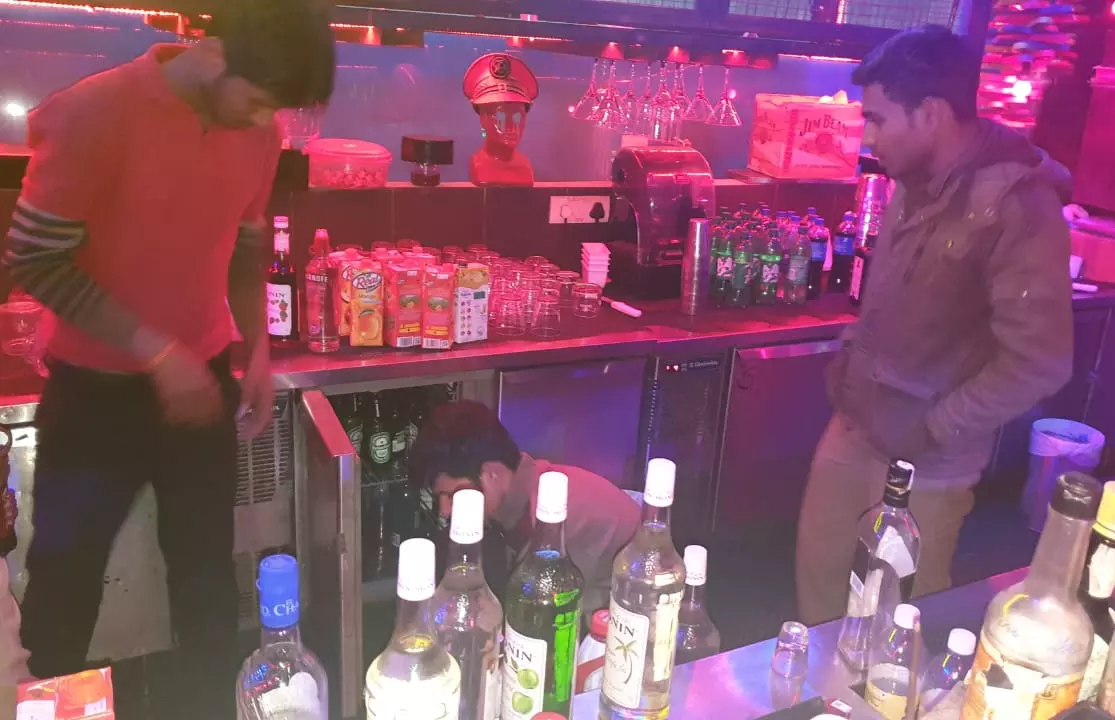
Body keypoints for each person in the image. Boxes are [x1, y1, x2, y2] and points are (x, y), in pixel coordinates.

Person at [3, 0, 334, 713]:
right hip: (93, 397)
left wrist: (256, 351)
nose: (265, 120)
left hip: (203, 379)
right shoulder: (93, 112)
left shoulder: (259, 133)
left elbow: (245, 249)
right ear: (216, 54)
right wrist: (155, 352)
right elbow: (32, 259)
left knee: (207, 581)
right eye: (259, 99)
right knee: (64, 585)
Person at [795, 25, 1073, 625]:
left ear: (931, 113)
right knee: (818, 585)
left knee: (895, 616)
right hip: (857, 424)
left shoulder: (1017, 205)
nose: (868, 137)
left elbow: (1041, 361)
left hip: (929, 461)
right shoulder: (913, 179)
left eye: (877, 120)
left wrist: (939, 426)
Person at [408, 401, 640, 619]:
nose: (444, 510)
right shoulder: (517, 500)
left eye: (454, 495)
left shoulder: (560, 518)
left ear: (491, 474)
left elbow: (546, 617)